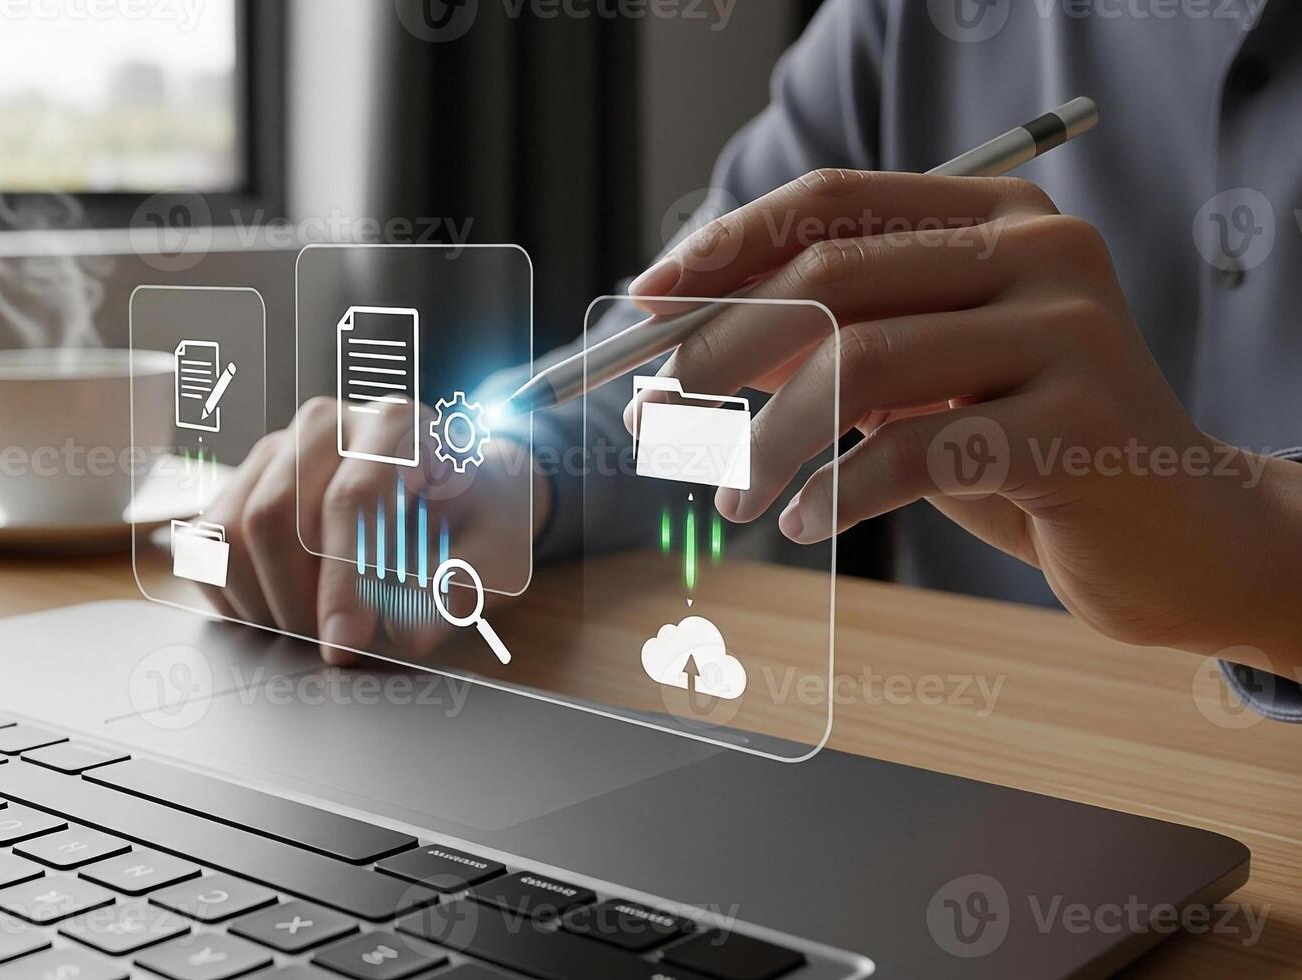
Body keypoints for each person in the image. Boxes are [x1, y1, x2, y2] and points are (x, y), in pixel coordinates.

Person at [203, 0, 1302, 715]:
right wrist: (518, 477)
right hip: (993, 806)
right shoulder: (910, 26)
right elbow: (686, 368)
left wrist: (1257, 545)